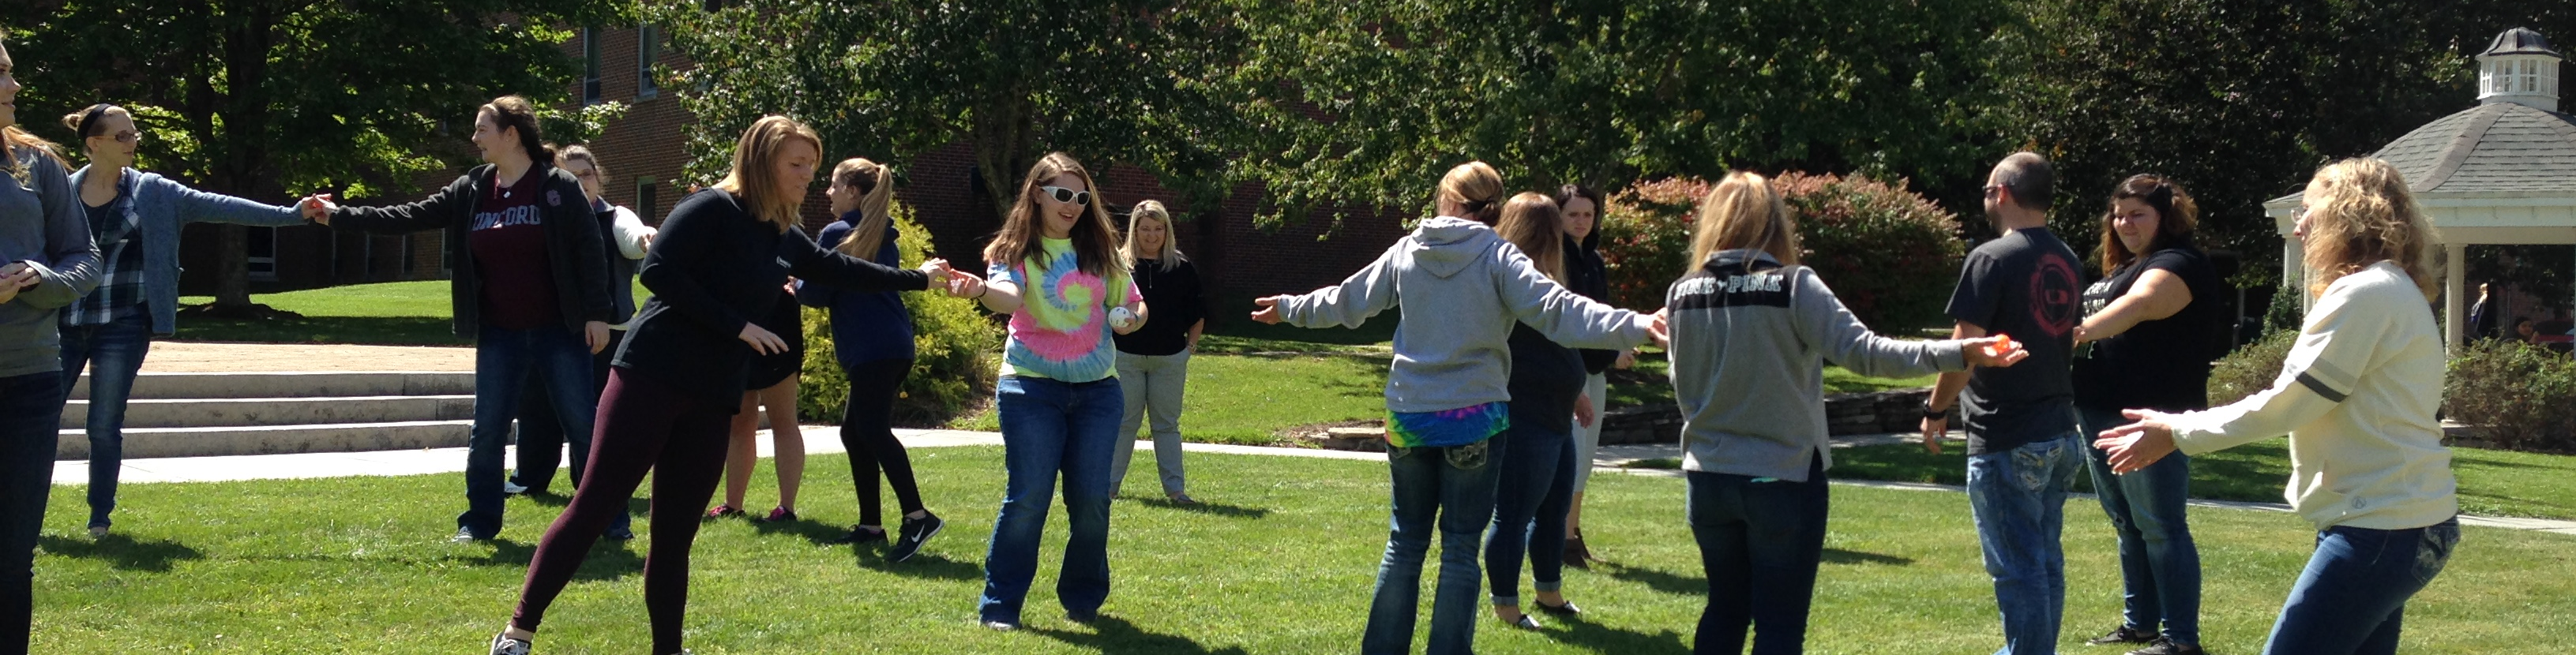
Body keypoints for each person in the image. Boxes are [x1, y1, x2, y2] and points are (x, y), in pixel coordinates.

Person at [473, 115, 973, 655]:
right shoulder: (712, 207)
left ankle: (668, 649)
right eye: (797, 164)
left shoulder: (780, 232)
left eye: (813, 165)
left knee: (675, 533)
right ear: (762, 161)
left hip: (713, 393)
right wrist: (737, 325)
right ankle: (517, 633)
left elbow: (838, 269)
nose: (809, 175)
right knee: (594, 505)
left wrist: (921, 279)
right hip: (651, 375)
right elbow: (657, 271)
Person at [1251, 161, 1665, 655]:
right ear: (1492, 204)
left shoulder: (1409, 249)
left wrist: (1289, 306)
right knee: (1460, 551)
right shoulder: (1499, 256)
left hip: (1409, 417)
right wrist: (1636, 324)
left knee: (1404, 545)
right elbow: (1560, 312)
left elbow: (1347, 302)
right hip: (1474, 418)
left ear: (1445, 199)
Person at [2097, 157, 2458, 655]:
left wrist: (2177, 431)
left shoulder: (2366, 293)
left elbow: (2290, 404)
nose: (2300, 222)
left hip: (2381, 529)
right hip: (2396, 524)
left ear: (2347, 213)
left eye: (2309, 209)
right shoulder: (2389, 288)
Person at [1669, 171, 2021, 655]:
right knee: (1779, 624)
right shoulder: (1793, 285)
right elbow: (1869, 354)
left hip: (1707, 477)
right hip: (1781, 477)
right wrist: (1959, 352)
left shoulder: (1682, 291)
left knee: (1725, 608)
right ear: (1775, 223)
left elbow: (1680, 383)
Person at [306, 95, 615, 543]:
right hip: (499, 334)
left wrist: (597, 314)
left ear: (511, 135)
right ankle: (480, 523)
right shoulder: (471, 189)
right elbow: (410, 215)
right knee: (487, 429)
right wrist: (339, 217)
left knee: (582, 424)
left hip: (558, 331)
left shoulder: (557, 186)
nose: (474, 139)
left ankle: (607, 520)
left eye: (482, 130)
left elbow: (590, 252)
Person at [56, 103, 310, 538]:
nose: (133, 142)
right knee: (39, 419)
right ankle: (25, 514)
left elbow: (222, 206)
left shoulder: (154, 192)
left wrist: (290, 214)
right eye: (122, 137)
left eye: (134, 134)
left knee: (102, 424)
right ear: (94, 144)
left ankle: (99, 518)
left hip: (123, 322)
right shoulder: (59, 191)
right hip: (63, 320)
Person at [969, 152, 1147, 631]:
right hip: (1030, 388)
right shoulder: (1013, 253)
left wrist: (1132, 319)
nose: (1073, 205)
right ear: (1038, 194)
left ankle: (1083, 598)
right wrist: (979, 292)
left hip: (1097, 393)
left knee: (1091, 499)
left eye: (1082, 197)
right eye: (1063, 195)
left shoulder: (1101, 252)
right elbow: (1008, 297)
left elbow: (1132, 303)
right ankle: (1001, 607)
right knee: (1029, 497)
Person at [1921, 152, 2084, 655]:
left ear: (2006, 193)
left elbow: (1963, 351)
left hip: (2007, 434)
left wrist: (1935, 410)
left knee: (2018, 569)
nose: (1987, 197)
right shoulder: (2067, 258)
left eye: (1990, 189)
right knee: (2043, 561)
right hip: (2060, 431)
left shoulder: (1991, 257)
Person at [2068, 174, 2224, 655]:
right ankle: (2140, 625)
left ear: (2166, 216)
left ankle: (2180, 640)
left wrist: (2074, 332)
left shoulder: (2179, 264)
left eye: (2138, 214)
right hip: (2098, 409)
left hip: (2149, 418)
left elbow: (2138, 307)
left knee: (2161, 526)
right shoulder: (2128, 265)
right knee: (2128, 524)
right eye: (2119, 214)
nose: (2124, 223)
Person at [0, 37, 103, 654]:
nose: (13, 87)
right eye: (0, 75)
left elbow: (83, 257)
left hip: (30, 381)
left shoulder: (37, 164)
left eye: (10, 71)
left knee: (12, 556)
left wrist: (43, 281)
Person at [804, 156, 944, 560]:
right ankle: (870, 527)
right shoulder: (884, 237)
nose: (827, 192)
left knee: (874, 431)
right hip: (893, 345)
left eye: (833, 185)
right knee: (855, 432)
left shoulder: (835, 233)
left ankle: (919, 518)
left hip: (872, 349)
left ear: (852, 191)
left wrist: (796, 284)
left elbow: (816, 293)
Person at [508, 144, 655, 507]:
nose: (579, 181)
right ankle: (530, 478)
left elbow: (633, 236)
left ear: (598, 178)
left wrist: (645, 238)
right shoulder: (546, 217)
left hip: (605, 334)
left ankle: (590, 483)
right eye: (569, 175)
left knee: (592, 412)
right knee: (538, 406)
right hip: (548, 329)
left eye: (586, 174)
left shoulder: (615, 216)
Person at [1481, 192, 1596, 631]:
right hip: (1524, 415)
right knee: (1514, 513)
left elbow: (1561, 341)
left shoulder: (1549, 277)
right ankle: (1506, 607)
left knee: (1554, 509)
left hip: (1558, 413)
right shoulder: (1509, 279)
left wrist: (1578, 390)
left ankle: (1549, 592)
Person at [1110, 199, 1206, 503]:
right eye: (1145, 229)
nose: (1151, 235)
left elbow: (1198, 314)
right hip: (1126, 358)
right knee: (1124, 424)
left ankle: (1175, 490)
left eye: (1158, 229)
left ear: (1167, 231)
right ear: (1134, 231)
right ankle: (1108, 488)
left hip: (1170, 360)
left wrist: (1189, 348)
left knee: (1166, 426)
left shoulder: (1181, 267)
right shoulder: (1118, 266)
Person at [1552, 183, 1620, 569]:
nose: (1581, 222)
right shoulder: (1556, 260)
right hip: (1568, 372)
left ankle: (1573, 530)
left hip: (1594, 369)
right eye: (1573, 214)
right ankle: (1563, 538)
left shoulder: (1593, 260)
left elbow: (1603, 315)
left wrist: (1617, 347)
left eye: (1588, 214)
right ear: (1558, 217)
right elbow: (1570, 323)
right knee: (1573, 455)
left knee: (1587, 456)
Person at [708, 285, 806, 522]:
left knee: (783, 420)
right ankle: (733, 504)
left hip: (778, 320)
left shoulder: (782, 246)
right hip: (736, 322)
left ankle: (786, 508)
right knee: (739, 423)